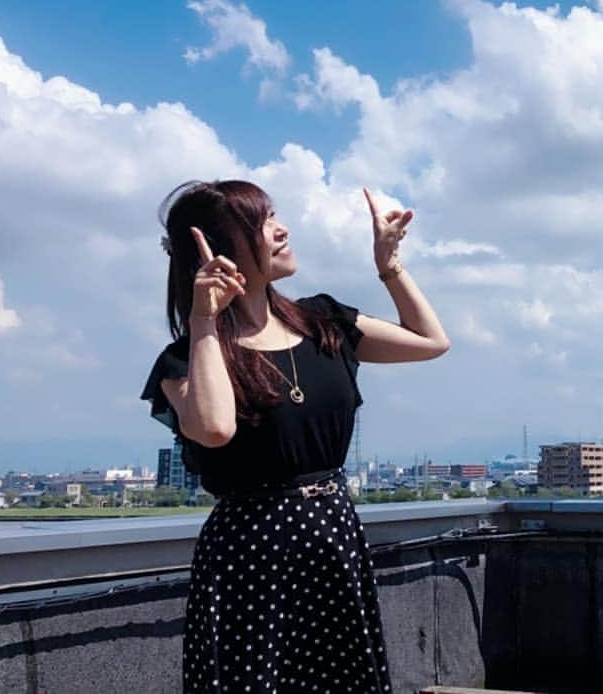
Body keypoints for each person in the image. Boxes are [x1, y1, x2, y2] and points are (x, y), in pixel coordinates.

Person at [140, 179, 450, 693]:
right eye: (261, 223)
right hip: (250, 553)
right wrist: (204, 320)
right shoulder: (187, 358)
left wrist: (388, 264)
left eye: (274, 216)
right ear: (220, 250)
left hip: (332, 536)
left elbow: (430, 341)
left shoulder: (323, 321)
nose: (281, 229)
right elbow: (214, 429)